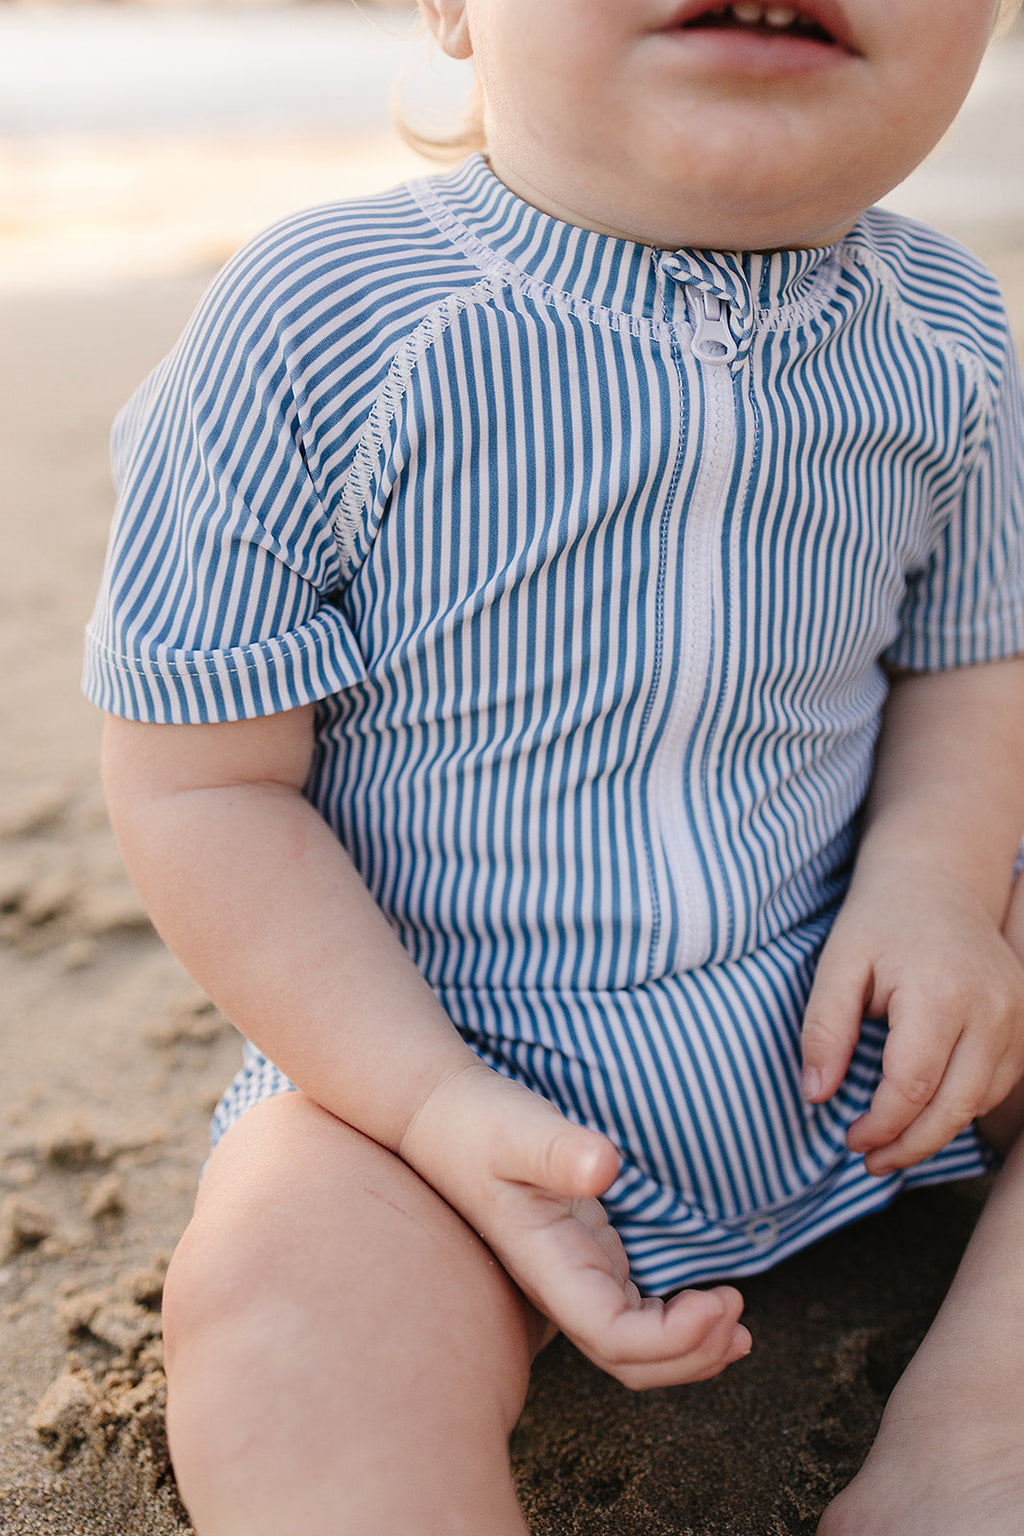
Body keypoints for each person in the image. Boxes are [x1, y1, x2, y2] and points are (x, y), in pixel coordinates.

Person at [83, 1, 1024, 1531]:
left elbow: (972, 659)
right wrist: (430, 1103)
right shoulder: (321, 322)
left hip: (858, 1025)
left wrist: (934, 888)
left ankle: (982, 1428)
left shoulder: (949, 329)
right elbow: (206, 784)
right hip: (433, 1073)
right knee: (284, 1315)